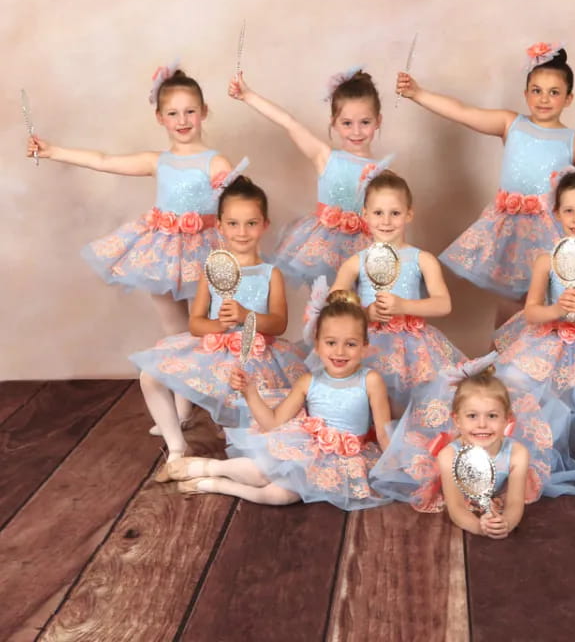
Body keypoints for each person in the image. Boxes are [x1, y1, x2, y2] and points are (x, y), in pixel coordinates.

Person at [397, 43, 575, 322]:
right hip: (512, 233)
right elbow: (462, 111)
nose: (544, 99)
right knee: (510, 305)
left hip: (551, 232)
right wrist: (417, 93)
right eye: (537, 91)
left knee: (543, 301)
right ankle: (496, 361)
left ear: (569, 99)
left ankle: (537, 359)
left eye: (554, 92)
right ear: (526, 94)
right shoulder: (510, 123)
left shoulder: (573, 141)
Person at [28, 64, 237, 335]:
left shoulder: (216, 162)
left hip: (206, 252)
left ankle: (211, 373)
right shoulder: (157, 161)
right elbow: (103, 160)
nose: (182, 121)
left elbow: (238, 206)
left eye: (190, 112)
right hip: (163, 255)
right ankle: (174, 374)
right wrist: (52, 151)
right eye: (173, 113)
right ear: (160, 117)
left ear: (204, 112)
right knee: (174, 330)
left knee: (213, 327)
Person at [130, 177, 307, 477]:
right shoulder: (212, 268)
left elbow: (278, 323)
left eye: (251, 223)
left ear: (264, 225)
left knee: (251, 408)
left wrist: (245, 315)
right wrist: (218, 323)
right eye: (234, 224)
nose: (242, 232)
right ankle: (176, 446)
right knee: (150, 376)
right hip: (215, 347)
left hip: (256, 352)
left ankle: (237, 449)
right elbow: (196, 323)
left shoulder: (270, 273)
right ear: (220, 226)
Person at [161, 290, 391, 509]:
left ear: (364, 347)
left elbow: (383, 431)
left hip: (349, 458)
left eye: (350, 344)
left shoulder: (370, 380)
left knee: (279, 496)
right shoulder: (308, 381)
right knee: (261, 472)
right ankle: (206, 467)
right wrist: (250, 391)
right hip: (309, 451)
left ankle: (217, 485)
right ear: (318, 344)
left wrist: (394, 470)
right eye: (331, 342)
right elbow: (272, 422)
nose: (340, 351)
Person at [493, 171, 575, 435]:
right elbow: (531, 311)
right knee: (518, 383)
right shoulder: (546, 259)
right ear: (556, 213)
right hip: (549, 340)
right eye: (569, 210)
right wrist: (557, 309)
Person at [371, 353, 575, 515]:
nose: (482, 425)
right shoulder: (449, 455)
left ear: (506, 419)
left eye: (492, 416)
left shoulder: (517, 454)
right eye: (472, 416)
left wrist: (506, 523)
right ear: (457, 420)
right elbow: (455, 508)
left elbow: (514, 505)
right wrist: (477, 526)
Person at [229, 67, 389, 284]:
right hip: (325, 249)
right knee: (326, 308)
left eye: (365, 122)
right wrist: (248, 95)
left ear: (378, 121)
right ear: (334, 122)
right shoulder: (325, 157)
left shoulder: (384, 173)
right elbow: (289, 122)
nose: (356, 131)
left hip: (365, 251)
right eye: (347, 123)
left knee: (360, 311)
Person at [330, 170, 463, 416]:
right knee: (367, 402)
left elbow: (443, 304)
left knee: (410, 407)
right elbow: (333, 309)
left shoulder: (422, 259)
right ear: (365, 215)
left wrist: (404, 306)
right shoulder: (355, 262)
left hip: (413, 345)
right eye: (378, 213)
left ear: (409, 214)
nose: (386, 221)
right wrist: (365, 313)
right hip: (369, 342)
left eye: (395, 213)